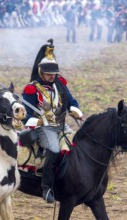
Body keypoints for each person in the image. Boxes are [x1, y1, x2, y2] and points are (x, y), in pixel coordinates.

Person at [22, 39, 83, 203]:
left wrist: (75, 111)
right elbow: (24, 115)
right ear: (41, 72)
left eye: (54, 73)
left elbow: (71, 101)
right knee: (55, 150)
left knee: (78, 147)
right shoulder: (32, 89)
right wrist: (39, 121)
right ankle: (46, 187)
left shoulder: (60, 85)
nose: (51, 76)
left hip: (61, 126)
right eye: (48, 74)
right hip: (43, 129)